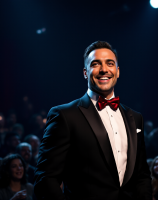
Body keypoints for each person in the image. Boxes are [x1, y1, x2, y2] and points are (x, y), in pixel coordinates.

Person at [34, 41, 152, 200]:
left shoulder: (136, 118)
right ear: (85, 72)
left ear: (117, 72)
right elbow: (46, 179)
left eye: (110, 64)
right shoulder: (65, 115)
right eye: (96, 64)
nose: (104, 69)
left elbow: (142, 175)